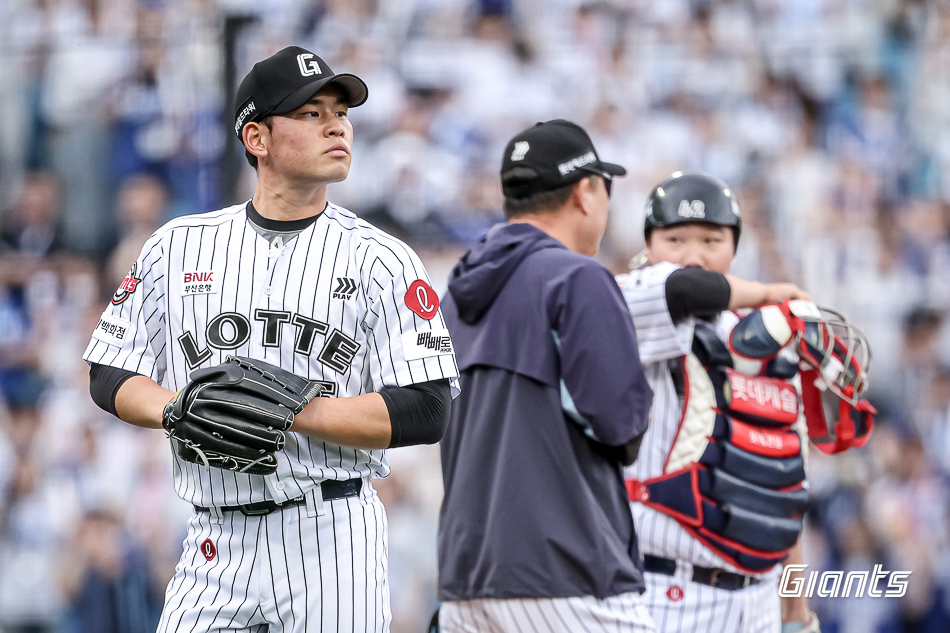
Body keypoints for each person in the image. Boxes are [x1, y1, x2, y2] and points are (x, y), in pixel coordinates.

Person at [82, 45, 460, 633]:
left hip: (330, 535)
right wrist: (176, 409)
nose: (337, 124)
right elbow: (108, 374)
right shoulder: (178, 245)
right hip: (213, 537)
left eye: (341, 112)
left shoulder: (383, 258)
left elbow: (427, 407)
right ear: (256, 138)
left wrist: (292, 413)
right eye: (311, 114)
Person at [617, 171, 873, 633]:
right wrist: (774, 294)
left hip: (754, 605)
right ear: (648, 247)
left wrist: (795, 613)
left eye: (712, 239)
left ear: (734, 246)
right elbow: (681, 289)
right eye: (674, 238)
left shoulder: (769, 340)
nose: (693, 254)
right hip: (659, 595)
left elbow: (784, 489)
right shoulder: (628, 306)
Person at [436, 119, 656, 632]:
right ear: (585, 192)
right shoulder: (578, 278)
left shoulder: (456, 293)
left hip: (466, 583)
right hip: (567, 573)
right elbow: (622, 426)